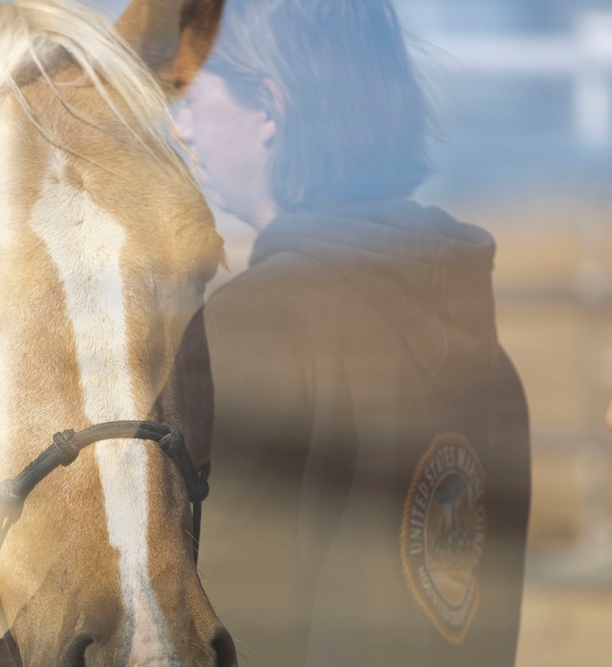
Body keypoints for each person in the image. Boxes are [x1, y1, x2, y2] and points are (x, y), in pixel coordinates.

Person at [173, 1, 531, 665]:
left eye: (193, 95)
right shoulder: (495, 366)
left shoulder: (250, 326)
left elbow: (227, 634)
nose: (182, 126)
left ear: (271, 109)